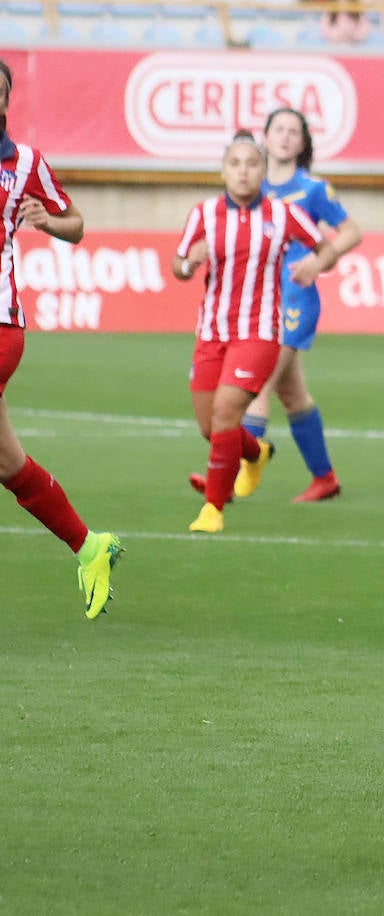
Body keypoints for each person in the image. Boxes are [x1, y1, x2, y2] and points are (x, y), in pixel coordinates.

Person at [0, 58, 123, 619]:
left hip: (1, 326)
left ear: (6, 103)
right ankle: (90, 546)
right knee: (8, 464)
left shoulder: (25, 164)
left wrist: (47, 223)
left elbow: (76, 223)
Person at [188, 109, 362, 503]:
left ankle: (227, 482)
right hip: (252, 305)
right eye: (278, 130)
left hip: (293, 301)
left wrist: (318, 261)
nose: (285, 137)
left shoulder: (313, 189)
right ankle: (325, 478)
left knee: (256, 386)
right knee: (293, 395)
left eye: (294, 132)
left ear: (302, 143)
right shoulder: (249, 182)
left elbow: (351, 233)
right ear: (264, 137)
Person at [172, 131, 337, 534]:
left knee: (229, 412)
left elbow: (326, 248)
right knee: (212, 428)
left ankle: (213, 507)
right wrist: (188, 263)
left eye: (251, 164)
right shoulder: (204, 214)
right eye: (235, 164)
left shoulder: (283, 214)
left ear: (263, 170)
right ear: (223, 170)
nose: (243, 172)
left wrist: (316, 265)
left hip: (260, 331)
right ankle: (256, 452)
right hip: (212, 331)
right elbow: (178, 266)